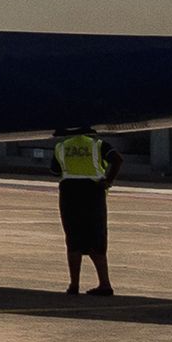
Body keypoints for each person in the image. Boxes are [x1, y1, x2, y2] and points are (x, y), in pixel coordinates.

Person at [54, 125, 117, 300]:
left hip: (70, 191)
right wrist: (108, 180)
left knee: (73, 239)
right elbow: (117, 159)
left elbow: (54, 170)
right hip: (93, 191)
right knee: (97, 239)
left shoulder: (61, 146)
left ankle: (74, 285)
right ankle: (105, 283)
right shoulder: (98, 145)